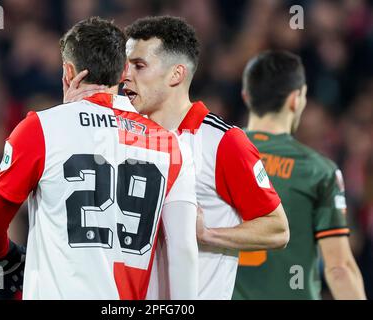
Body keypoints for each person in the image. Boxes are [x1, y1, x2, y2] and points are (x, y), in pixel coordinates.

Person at [65, 16, 289, 300]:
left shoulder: (222, 141)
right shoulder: (118, 130)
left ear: (176, 75)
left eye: (139, 66)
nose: (125, 76)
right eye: (125, 65)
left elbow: (277, 229)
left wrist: (208, 234)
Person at [0, 17, 199, 300]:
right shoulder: (170, 145)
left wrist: (6, 254)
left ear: (68, 72)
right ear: (123, 71)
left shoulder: (40, 129)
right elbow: (183, 251)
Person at [232, 50, 366, 300]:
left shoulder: (210, 154)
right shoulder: (318, 171)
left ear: (246, 96)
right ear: (296, 99)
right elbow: (339, 269)